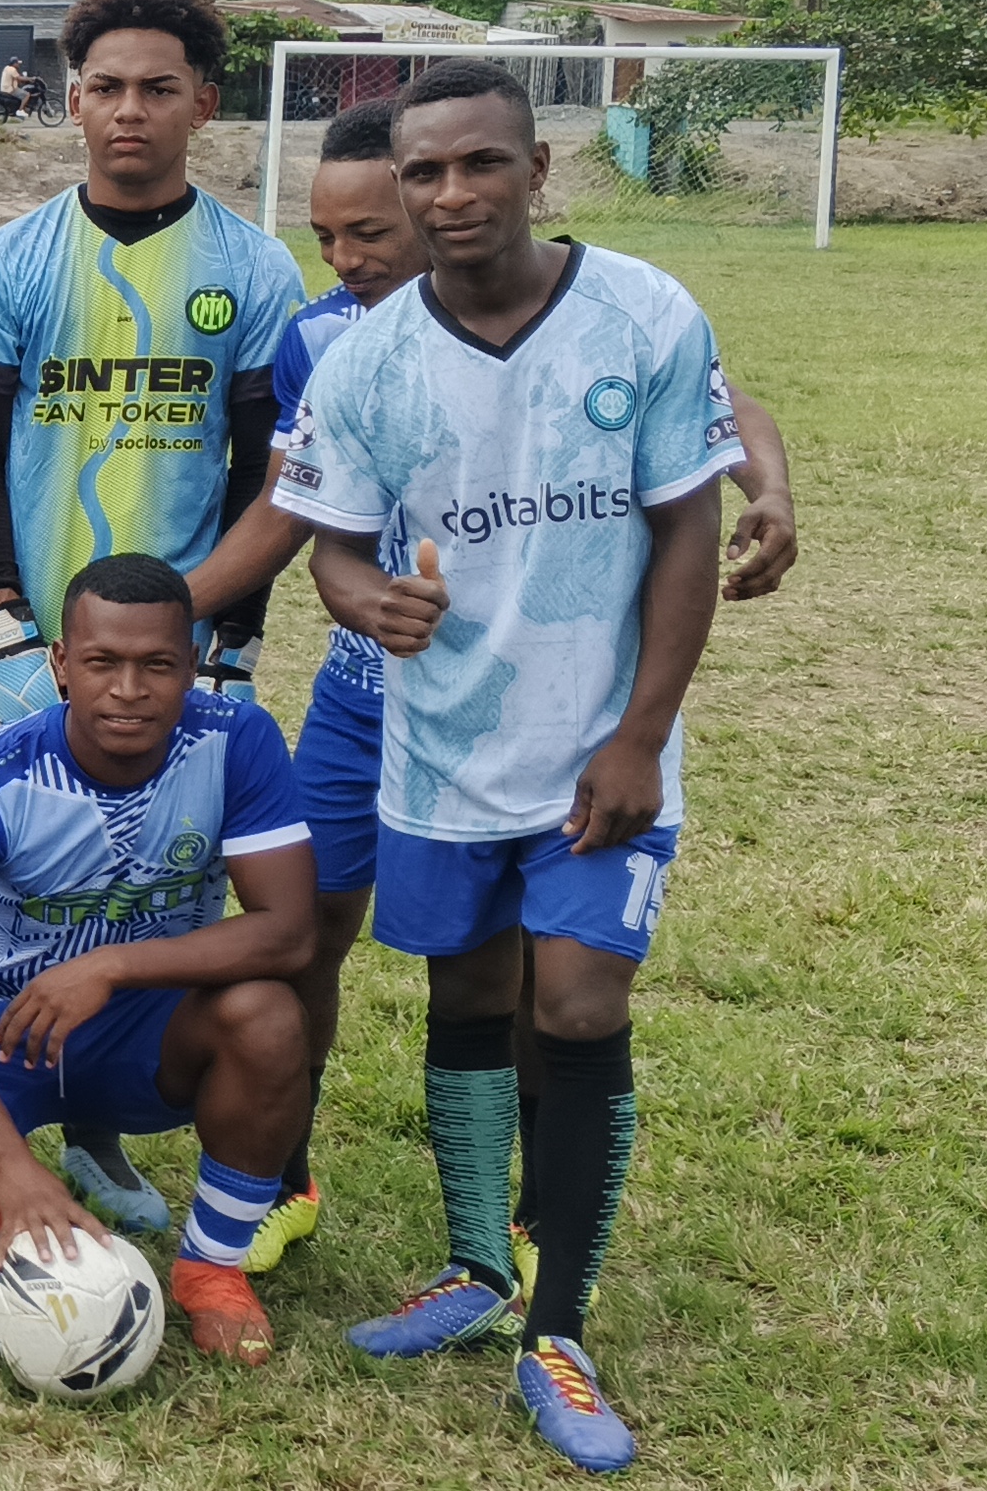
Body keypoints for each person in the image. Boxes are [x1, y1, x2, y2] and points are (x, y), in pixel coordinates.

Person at [223, 98, 807, 1277]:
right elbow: (309, 516)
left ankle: (545, 1233)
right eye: (326, 236)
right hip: (371, 701)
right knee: (318, 931)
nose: (347, 257)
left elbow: (719, 405)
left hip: (545, 700)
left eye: (366, 231)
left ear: (526, 173)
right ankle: (293, 1185)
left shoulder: (618, 311)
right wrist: (301, 601)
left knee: (556, 978)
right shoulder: (330, 344)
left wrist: (771, 489)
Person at [277, 57, 743, 1474]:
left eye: (482, 162)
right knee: (468, 994)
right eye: (424, 171)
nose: (452, 192)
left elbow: (686, 530)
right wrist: (367, 601)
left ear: (539, 169)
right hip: (440, 756)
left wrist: (640, 736)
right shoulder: (367, 361)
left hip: (597, 751)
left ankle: (559, 1327)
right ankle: (478, 1265)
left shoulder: (642, 314)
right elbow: (331, 547)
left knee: (580, 1004)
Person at [0, 0, 306, 1238]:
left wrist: (226, 636)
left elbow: (265, 467)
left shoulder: (253, 267)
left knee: (148, 887)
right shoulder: (13, 256)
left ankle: (98, 1123)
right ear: (71, 101)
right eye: (107, 87)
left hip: (170, 652)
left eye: (157, 89)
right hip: (11, 637)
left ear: (204, 104)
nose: (130, 110)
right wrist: (2, 612)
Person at [0, 553, 321, 1367]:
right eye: (103, 662)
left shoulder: (237, 741)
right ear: (63, 664)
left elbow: (290, 933)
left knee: (270, 1017)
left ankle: (212, 1267)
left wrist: (111, 967)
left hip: (148, 1025)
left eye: (157, 665)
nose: (128, 689)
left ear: (191, 662)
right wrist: (12, 1164)